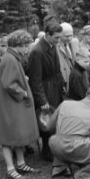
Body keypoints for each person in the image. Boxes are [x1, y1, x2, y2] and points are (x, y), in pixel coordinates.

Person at [0, 30, 40, 179]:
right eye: (25, 46)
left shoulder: (13, 57)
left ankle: (20, 164)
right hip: (10, 105)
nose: (27, 49)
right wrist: (23, 93)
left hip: (12, 103)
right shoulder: (10, 59)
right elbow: (8, 83)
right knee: (7, 136)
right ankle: (10, 169)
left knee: (16, 134)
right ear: (17, 45)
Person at [28, 22, 65, 161]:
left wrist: (62, 85)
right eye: (56, 37)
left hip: (55, 87)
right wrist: (42, 100)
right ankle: (47, 151)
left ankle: (53, 148)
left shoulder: (52, 45)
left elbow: (57, 69)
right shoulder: (37, 51)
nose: (59, 40)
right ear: (47, 35)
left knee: (56, 119)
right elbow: (35, 80)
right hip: (46, 89)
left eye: (60, 37)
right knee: (47, 121)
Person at [56, 22, 78, 90]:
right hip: (63, 82)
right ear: (60, 35)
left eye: (71, 35)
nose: (69, 38)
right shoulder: (55, 46)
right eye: (67, 36)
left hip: (74, 80)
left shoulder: (75, 43)